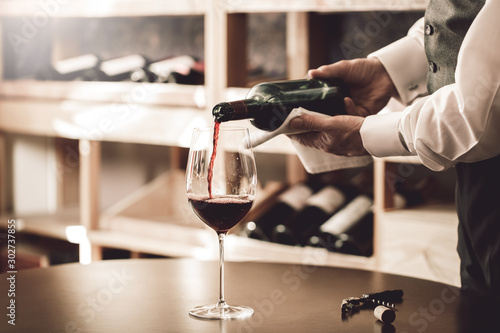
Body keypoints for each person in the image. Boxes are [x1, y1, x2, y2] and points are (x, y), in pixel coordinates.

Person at [289, 0, 500, 301]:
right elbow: (470, 19)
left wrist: (367, 135)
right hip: (473, 178)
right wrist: (388, 71)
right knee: (480, 315)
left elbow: (486, 107)